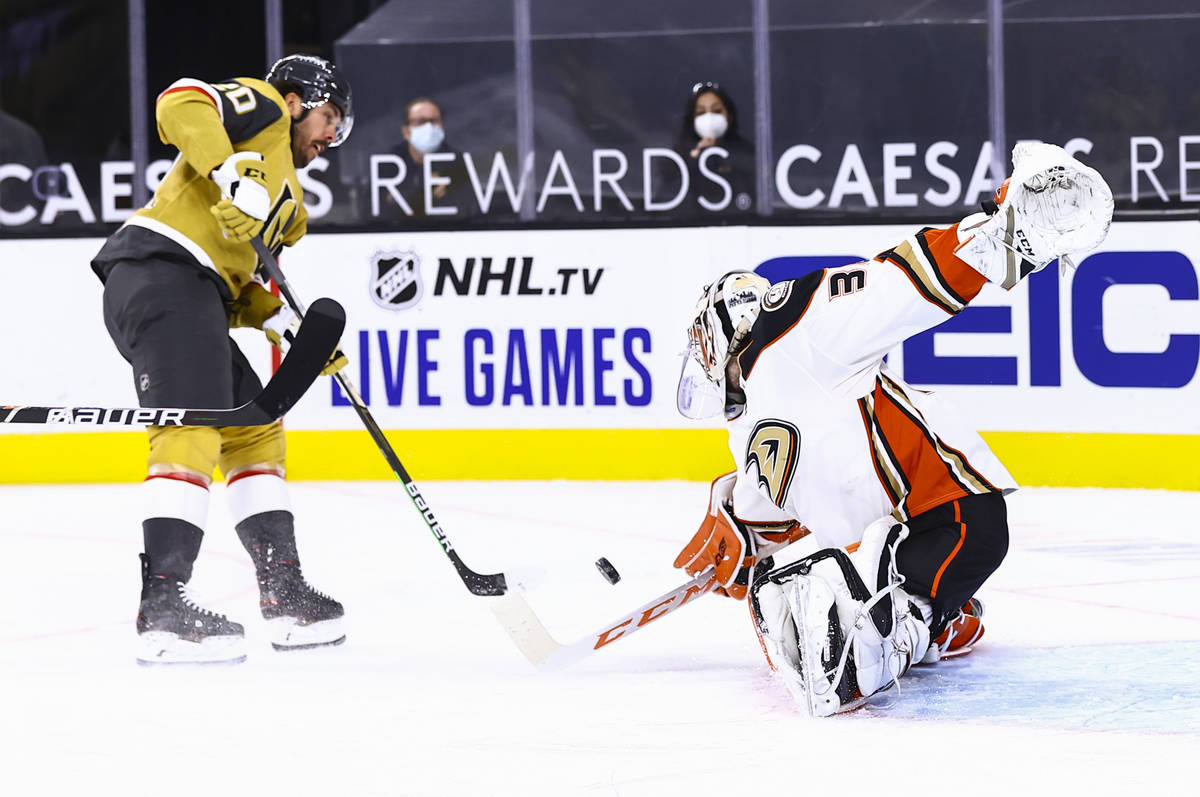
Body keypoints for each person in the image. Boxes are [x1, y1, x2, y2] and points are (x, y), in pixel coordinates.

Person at [673, 142, 1113, 715]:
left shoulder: (799, 327)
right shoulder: (746, 425)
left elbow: (899, 283)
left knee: (961, 548)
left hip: (943, 506)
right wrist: (738, 539)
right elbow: (766, 515)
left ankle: (912, 622)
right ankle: (924, 622)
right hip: (895, 539)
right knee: (801, 592)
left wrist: (1002, 234)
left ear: (720, 327)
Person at [89, 54, 354, 665]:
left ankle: (284, 593)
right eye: (329, 117)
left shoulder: (291, 204)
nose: (330, 138)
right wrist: (232, 170)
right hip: (160, 272)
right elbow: (180, 100)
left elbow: (246, 291)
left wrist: (291, 326)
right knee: (192, 423)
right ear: (296, 101)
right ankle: (163, 608)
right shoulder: (261, 108)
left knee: (253, 427)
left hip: (197, 295)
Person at [657, 81, 755, 216]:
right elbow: (666, 203)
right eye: (701, 112)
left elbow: (753, 197)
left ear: (729, 116)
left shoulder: (746, 153)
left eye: (716, 111)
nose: (709, 118)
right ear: (693, 120)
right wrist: (693, 161)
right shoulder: (679, 157)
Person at [385, 96, 471, 220]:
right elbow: (369, 210)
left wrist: (449, 194)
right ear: (406, 132)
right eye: (421, 121)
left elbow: (470, 207)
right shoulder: (388, 164)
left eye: (434, 121)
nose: (429, 127)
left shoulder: (456, 163)